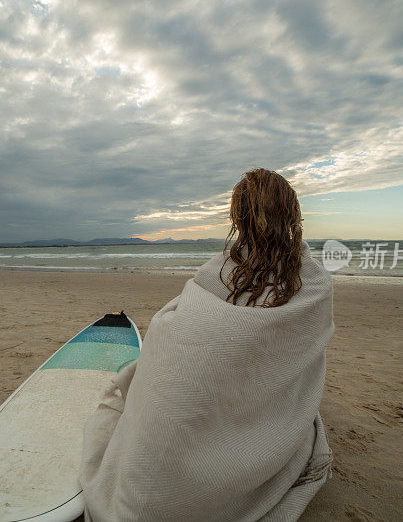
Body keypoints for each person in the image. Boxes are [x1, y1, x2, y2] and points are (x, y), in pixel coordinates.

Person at [80, 168, 334, 521]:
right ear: (291, 213)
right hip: (246, 405)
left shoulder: (222, 269)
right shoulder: (315, 282)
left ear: (238, 217)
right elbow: (296, 357)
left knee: (166, 337)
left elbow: (184, 324)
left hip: (170, 453)